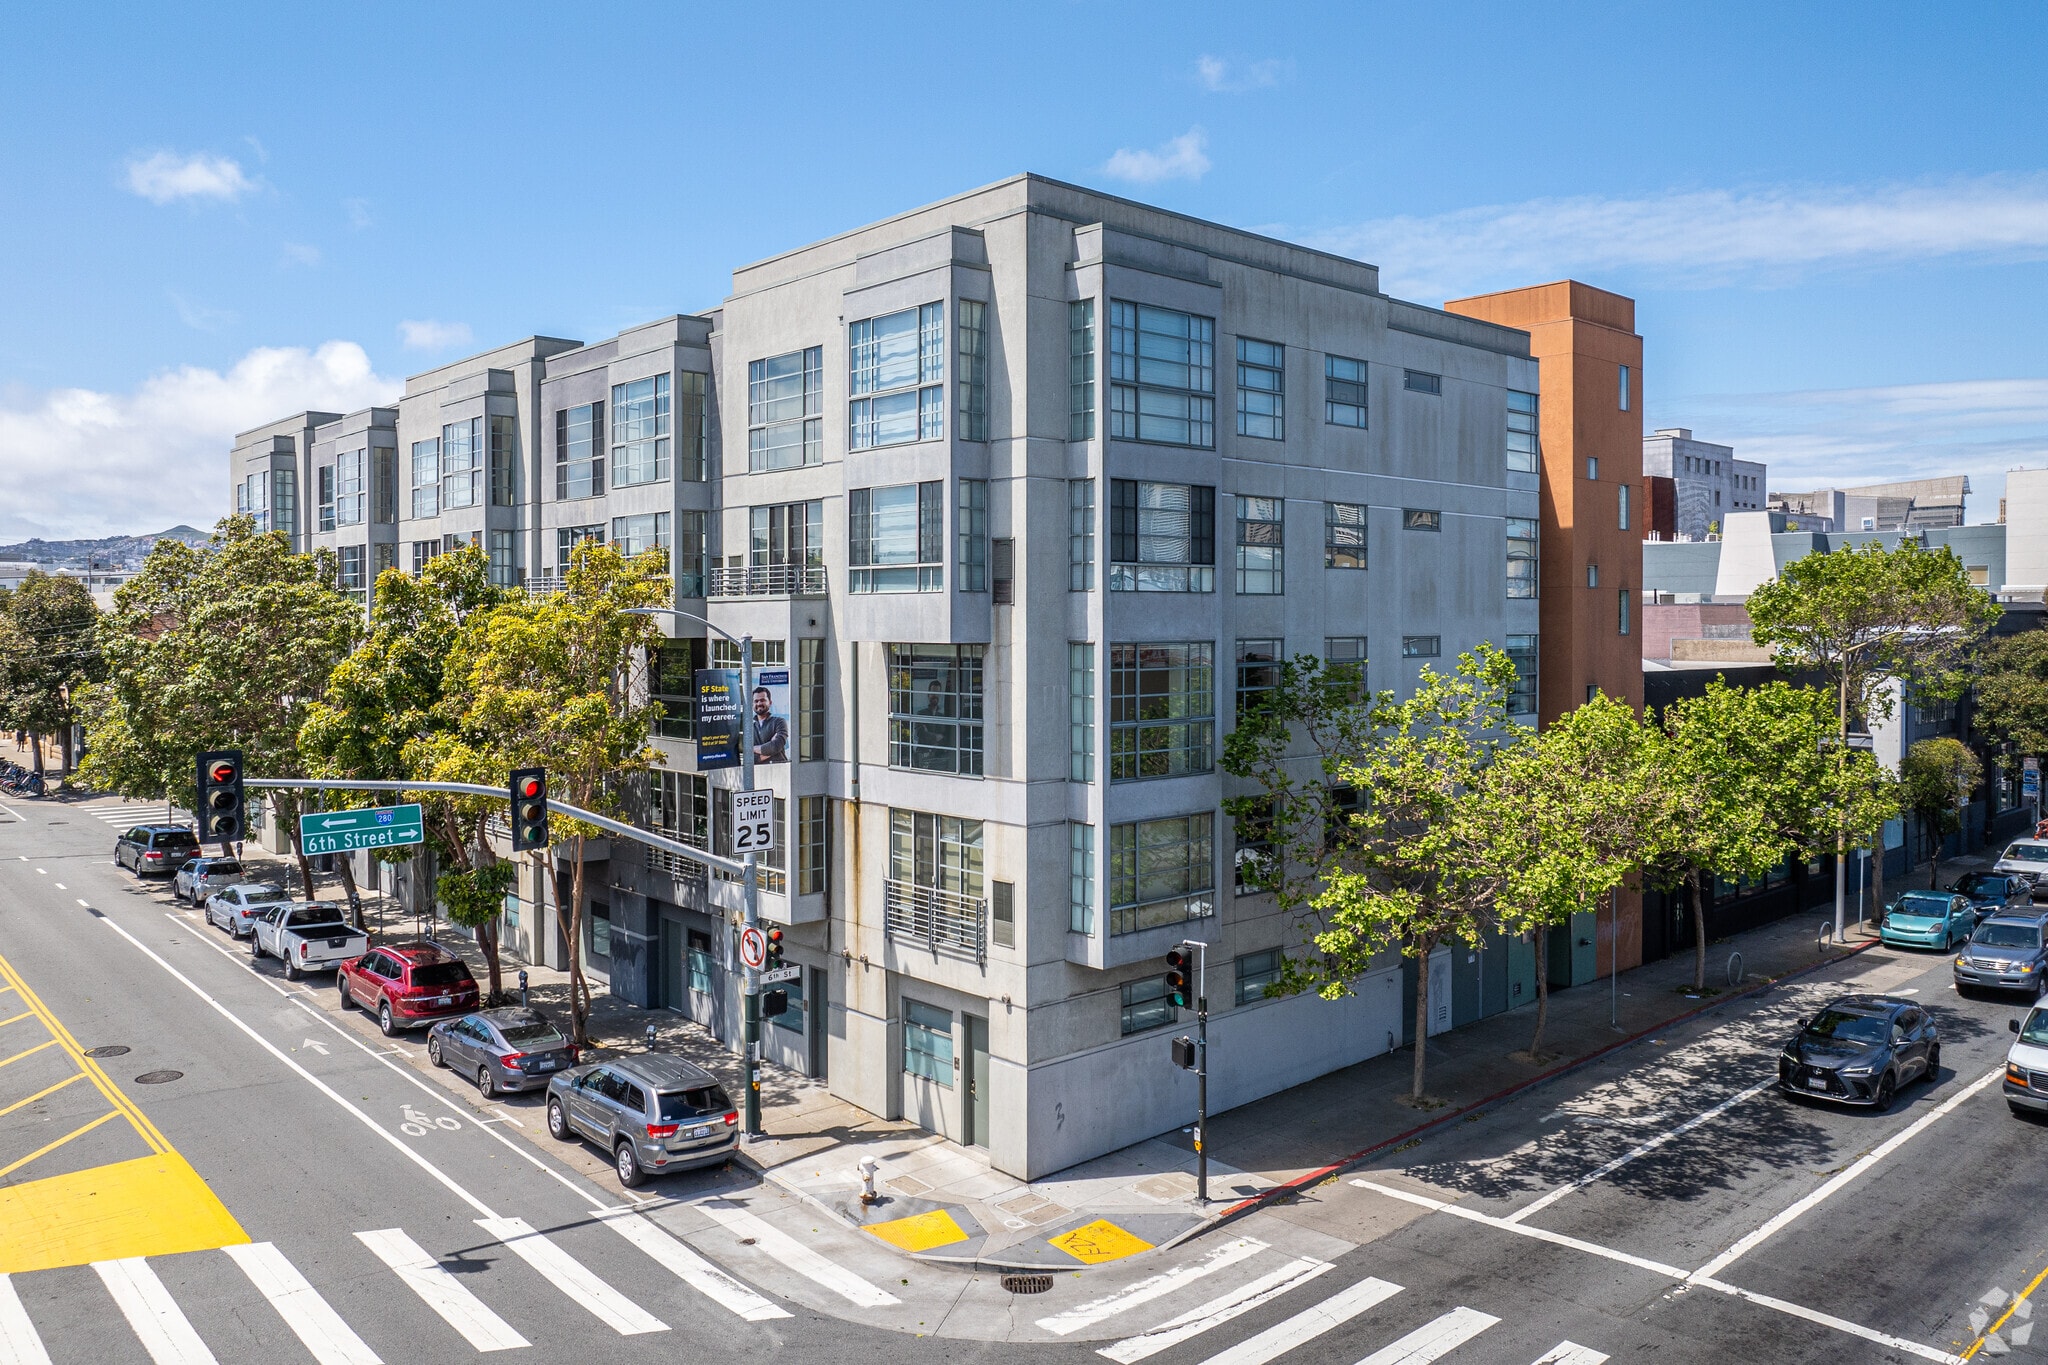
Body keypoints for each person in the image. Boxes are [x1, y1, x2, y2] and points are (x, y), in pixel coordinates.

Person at [751, 686, 788, 763]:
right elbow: (749, 758)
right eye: (756, 701)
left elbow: (776, 746)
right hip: (758, 769)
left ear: (770, 702)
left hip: (779, 768)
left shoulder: (779, 722)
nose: (759, 703)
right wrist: (769, 748)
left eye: (762, 700)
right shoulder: (750, 728)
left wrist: (752, 748)